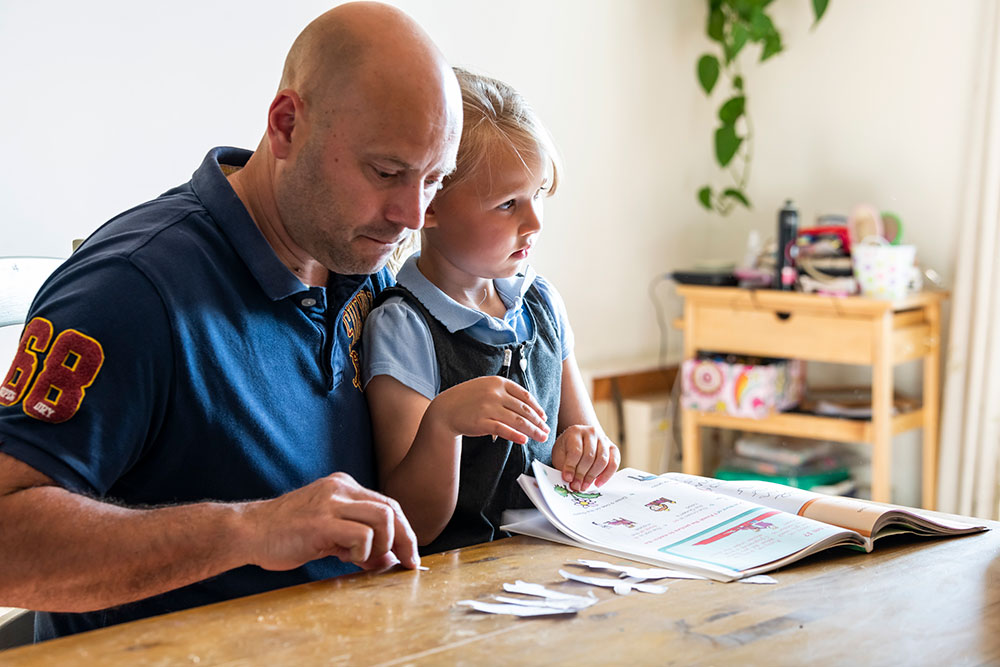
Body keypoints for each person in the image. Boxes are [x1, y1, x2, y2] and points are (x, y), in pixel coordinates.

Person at [0, 2, 464, 641]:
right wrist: (250, 530)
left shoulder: (367, 264)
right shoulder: (131, 289)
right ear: (286, 125)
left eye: (432, 180)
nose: (412, 214)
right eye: (385, 172)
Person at [362, 69, 620, 554]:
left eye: (538, 194)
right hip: (455, 585)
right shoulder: (403, 326)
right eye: (507, 204)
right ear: (430, 204)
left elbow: (588, 438)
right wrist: (443, 424)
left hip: (543, 569)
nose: (535, 222)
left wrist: (589, 450)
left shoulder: (542, 302)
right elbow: (411, 526)